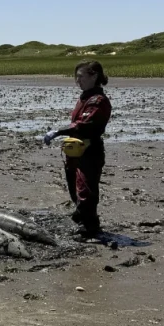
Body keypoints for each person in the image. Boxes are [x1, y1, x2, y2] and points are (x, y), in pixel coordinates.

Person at [43, 60, 112, 238]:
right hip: (75, 150)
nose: (77, 81)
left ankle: (90, 228)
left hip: (90, 151)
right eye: (76, 77)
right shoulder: (84, 98)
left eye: (81, 77)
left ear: (94, 76)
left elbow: (85, 125)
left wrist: (59, 132)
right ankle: (83, 221)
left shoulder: (98, 101)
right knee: (75, 188)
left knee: (86, 190)